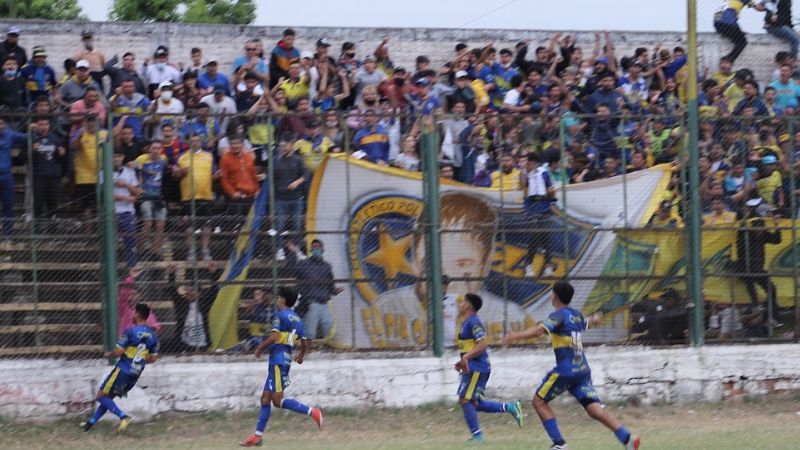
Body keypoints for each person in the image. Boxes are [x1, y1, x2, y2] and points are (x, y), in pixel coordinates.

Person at [502, 281, 640, 450]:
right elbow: (586, 322)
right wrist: (595, 320)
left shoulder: (558, 315)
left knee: (538, 402)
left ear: (553, 296)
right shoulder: (575, 315)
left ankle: (559, 444)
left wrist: (514, 336)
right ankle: (627, 438)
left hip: (566, 371)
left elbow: (540, 330)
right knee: (593, 408)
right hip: (582, 370)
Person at [238, 287, 324, 447]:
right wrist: (301, 356)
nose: (277, 301)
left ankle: (313, 412)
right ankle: (257, 436)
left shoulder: (280, 315)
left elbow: (275, 336)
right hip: (283, 360)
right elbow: (305, 342)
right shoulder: (298, 319)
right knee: (265, 398)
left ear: (282, 300)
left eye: (278, 298)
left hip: (278, 360)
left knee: (277, 400)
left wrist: (259, 348)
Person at [454, 293, 523, 443]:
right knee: (474, 403)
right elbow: (470, 347)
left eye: (462, 302)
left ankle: (477, 437)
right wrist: (462, 361)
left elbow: (483, 344)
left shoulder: (474, 322)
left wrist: (465, 358)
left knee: (465, 399)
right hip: (473, 366)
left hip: (477, 367)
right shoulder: (467, 323)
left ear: (467, 305)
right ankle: (510, 407)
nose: (460, 304)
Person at [80, 303, 159, 433]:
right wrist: (140, 358)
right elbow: (153, 359)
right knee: (108, 399)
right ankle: (89, 424)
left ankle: (124, 416)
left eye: (133, 312)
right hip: (135, 373)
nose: (132, 314)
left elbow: (118, 352)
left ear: (138, 314)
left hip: (122, 370)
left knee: (100, 396)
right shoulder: (153, 335)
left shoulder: (130, 331)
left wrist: (108, 354)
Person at [286, 239, 342, 340]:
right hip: (311, 303)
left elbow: (330, 284)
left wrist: (334, 291)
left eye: (318, 247)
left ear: (322, 249)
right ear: (311, 249)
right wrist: (292, 253)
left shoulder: (326, 267)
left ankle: (325, 349)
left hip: (324, 303)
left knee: (328, 325)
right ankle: (308, 352)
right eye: (314, 247)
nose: (316, 249)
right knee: (310, 333)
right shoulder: (304, 264)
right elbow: (291, 269)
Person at [736, 197, 782, 320]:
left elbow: (777, 240)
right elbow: (740, 228)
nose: (759, 232)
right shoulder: (745, 234)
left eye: (761, 230)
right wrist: (746, 217)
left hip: (758, 268)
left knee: (771, 288)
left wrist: (777, 225)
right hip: (745, 267)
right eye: (757, 229)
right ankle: (756, 305)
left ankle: (771, 316)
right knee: (749, 277)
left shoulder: (763, 235)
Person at [273, 137, 307, 260]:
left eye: (285, 146)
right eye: (281, 146)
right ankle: (279, 249)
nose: (283, 148)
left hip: (296, 197)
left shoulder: (298, 160)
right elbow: (270, 176)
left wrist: (297, 182)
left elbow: (305, 174)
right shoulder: (276, 160)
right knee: (280, 225)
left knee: (297, 225)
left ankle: (296, 249)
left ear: (291, 145)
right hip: (281, 198)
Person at [107, 147, 141, 269]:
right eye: (114, 156)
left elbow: (137, 193)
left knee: (131, 239)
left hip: (127, 211)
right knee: (109, 241)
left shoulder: (130, 172)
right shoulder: (104, 172)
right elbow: (103, 194)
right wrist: (123, 197)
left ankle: (132, 267)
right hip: (111, 212)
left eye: (119, 156)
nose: (116, 159)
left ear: (122, 157)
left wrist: (126, 185)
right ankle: (110, 266)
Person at [135, 140, 168, 258]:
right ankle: (141, 248)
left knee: (160, 225)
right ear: (149, 149)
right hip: (146, 197)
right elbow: (134, 170)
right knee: (147, 223)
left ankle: (156, 250)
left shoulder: (164, 161)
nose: (156, 151)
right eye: (154, 148)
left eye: (159, 148)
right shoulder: (141, 160)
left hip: (159, 197)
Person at [29, 116, 66, 219]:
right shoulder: (31, 139)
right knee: (38, 204)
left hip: (53, 176)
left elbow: (61, 159)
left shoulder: (55, 139)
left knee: (53, 204)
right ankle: (38, 230)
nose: (43, 127)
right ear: (36, 126)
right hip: (38, 177)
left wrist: (62, 154)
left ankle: (52, 230)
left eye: (46, 124)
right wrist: (33, 151)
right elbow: (24, 158)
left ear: (49, 126)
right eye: (41, 124)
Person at [0, 117, 26, 234]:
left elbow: (26, 138)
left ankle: (8, 232)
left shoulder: (10, 134)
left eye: (1, 123)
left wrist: (31, 129)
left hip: (6, 175)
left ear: (4, 124)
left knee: (8, 204)